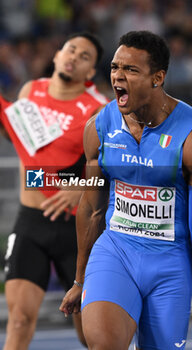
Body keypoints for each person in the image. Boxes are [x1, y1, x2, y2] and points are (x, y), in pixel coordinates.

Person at [59, 30, 192, 350]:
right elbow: (91, 209)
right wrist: (79, 280)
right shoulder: (99, 127)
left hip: (170, 264)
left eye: (130, 70)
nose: (118, 75)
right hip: (115, 252)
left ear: (157, 77)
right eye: (115, 67)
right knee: (103, 345)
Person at [0, 32, 108, 350]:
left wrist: (82, 186)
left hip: (77, 231)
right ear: (58, 54)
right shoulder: (30, 90)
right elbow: (23, 143)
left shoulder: (98, 109)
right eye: (70, 50)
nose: (74, 57)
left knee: (89, 333)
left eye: (84, 56)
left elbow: (114, 172)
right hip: (31, 223)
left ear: (90, 72)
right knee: (18, 322)